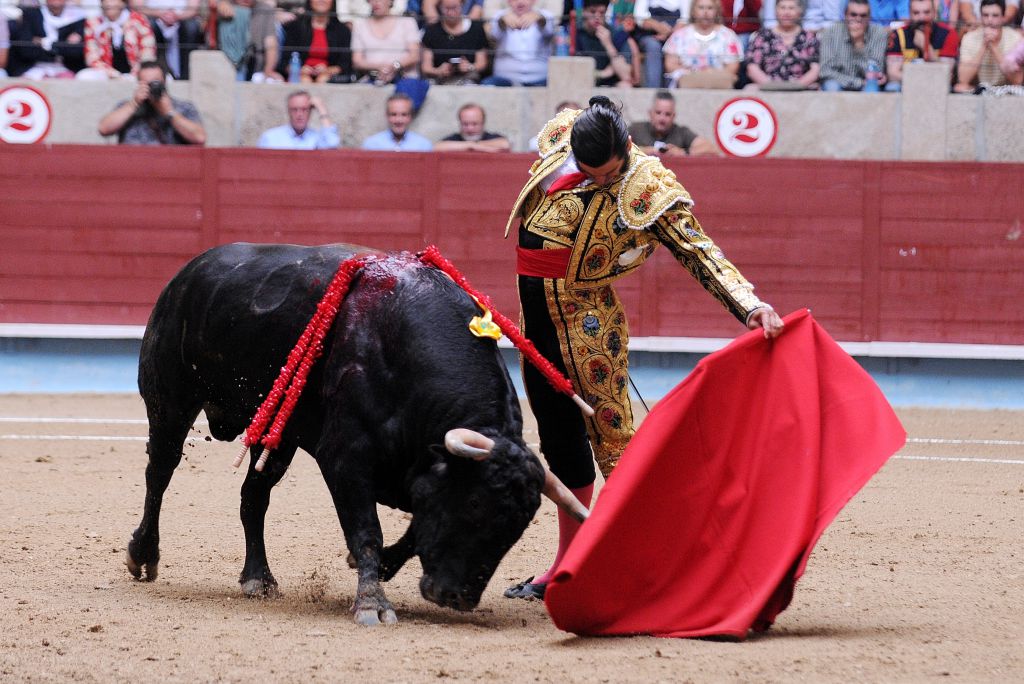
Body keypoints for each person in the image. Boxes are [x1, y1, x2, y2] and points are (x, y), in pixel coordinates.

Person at [501, 96, 784, 601]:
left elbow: (697, 249)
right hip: (537, 325)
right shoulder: (565, 135)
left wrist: (749, 305)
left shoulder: (646, 186)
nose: (601, 182)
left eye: (609, 174)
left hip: (587, 327)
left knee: (615, 447)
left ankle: (667, 560)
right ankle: (568, 564)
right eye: (590, 173)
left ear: (625, 150)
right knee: (560, 444)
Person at [97, 59, 206, 144]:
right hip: (132, 165)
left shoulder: (184, 107)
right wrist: (134, 104)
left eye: (156, 82)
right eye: (146, 83)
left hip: (170, 167)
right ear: (139, 83)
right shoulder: (127, 107)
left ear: (164, 82)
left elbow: (199, 137)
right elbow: (103, 129)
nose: (152, 87)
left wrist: (169, 112)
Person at [662, 0, 743, 88]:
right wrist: (693, 74)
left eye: (710, 8)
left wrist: (710, 75)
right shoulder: (679, 35)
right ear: (693, 11)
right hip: (687, 82)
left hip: (719, 83)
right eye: (701, 7)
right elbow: (670, 64)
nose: (705, 12)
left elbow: (733, 67)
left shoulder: (728, 35)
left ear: (717, 11)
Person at [885, 0, 959, 92]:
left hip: (935, 86)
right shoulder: (899, 34)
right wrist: (920, 80)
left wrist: (926, 47)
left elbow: (947, 74)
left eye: (926, 12)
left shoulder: (948, 34)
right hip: (906, 84)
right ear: (910, 14)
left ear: (934, 13)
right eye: (916, 13)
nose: (922, 18)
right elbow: (892, 74)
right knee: (892, 87)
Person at [745, 0, 821, 90]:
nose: (787, 12)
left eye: (791, 8)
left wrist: (796, 86)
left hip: (801, 87)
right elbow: (752, 67)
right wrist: (770, 86)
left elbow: (816, 69)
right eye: (783, 8)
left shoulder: (809, 38)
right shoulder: (762, 37)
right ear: (775, 11)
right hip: (767, 86)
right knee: (749, 89)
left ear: (799, 11)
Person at [819, 0, 889, 91]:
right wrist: (857, 82)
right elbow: (825, 71)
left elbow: (874, 72)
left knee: (872, 86)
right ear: (845, 15)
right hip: (839, 82)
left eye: (863, 16)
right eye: (853, 15)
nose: (858, 19)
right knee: (831, 85)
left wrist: (858, 43)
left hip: (866, 83)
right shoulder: (830, 33)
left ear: (869, 17)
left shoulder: (879, 33)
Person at [76, 0, 155, 80]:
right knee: (84, 76)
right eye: (105, 1)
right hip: (107, 73)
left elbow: (148, 52)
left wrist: (134, 73)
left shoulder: (139, 20)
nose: (108, 3)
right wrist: (114, 74)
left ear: (123, 3)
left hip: (135, 72)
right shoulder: (93, 22)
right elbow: (91, 56)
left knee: (154, 75)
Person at [954, 0, 1023, 92]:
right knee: (960, 87)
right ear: (980, 17)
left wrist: (993, 47)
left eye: (995, 15)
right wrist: (984, 45)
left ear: (1003, 17)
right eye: (985, 15)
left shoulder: (1015, 37)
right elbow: (963, 79)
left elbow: (1017, 80)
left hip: (1006, 91)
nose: (990, 20)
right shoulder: (969, 37)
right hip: (978, 89)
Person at [278, 0, 354, 83]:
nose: (321, 1)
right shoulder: (294, 27)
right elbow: (284, 62)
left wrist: (328, 70)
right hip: (300, 74)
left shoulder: (342, 31)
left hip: (329, 76)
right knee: (304, 80)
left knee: (323, 79)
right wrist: (299, 69)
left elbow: (345, 64)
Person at [483, 0, 554, 87]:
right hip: (504, 79)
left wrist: (540, 18)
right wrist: (502, 21)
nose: (520, 2)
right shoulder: (499, 16)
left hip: (540, 78)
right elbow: (494, 35)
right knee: (486, 85)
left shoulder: (546, 16)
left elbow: (550, 31)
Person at [8, 0, 86, 79]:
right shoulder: (32, 15)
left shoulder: (78, 18)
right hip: (34, 68)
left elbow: (76, 52)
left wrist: (44, 42)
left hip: (66, 68)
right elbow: (26, 50)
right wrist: (62, 46)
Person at [628, 90, 718, 157]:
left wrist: (682, 152)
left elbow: (711, 149)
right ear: (650, 113)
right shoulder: (636, 129)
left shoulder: (681, 132)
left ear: (673, 116)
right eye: (658, 113)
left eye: (667, 114)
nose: (662, 118)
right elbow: (617, 148)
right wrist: (644, 151)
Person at [351, 0, 421, 84]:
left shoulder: (407, 22)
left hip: (405, 79)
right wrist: (381, 68)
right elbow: (357, 61)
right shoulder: (360, 25)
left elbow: (415, 56)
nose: (376, 2)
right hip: (372, 80)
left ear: (391, 1)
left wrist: (394, 66)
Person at [420, 0, 488, 84]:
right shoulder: (432, 30)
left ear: (462, 5)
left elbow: (482, 63)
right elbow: (426, 67)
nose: (451, 13)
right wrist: (439, 71)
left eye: (455, 8)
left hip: (468, 79)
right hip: (439, 80)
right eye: (447, 8)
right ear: (440, 7)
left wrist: (469, 67)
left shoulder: (476, 29)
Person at [131, 0, 203, 79]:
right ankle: (155, 75)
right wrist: (159, 14)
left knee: (191, 27)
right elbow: (136, 5)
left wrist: (177, 16)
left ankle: (186, 76)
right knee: (148, 26)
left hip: (183, 17)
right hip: (152, 16)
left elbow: (193, 8)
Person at [217, 0, 282, 82]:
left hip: (255, 68)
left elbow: (271, 43)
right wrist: (221, 5)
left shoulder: (264, 9)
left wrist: (268, 71)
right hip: (225, 65)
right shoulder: (224, 5)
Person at [576, 0, 635, 87]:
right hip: (582, 82)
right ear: (584, 12)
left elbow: (626, 75)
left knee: (625, 86)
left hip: (609, 84)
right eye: (592, 11)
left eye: (602, 12)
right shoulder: (575, 33)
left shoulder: (617, 34)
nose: (597, 16)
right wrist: (601, 74)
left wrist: (608, 44)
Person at [630, 0, 688, 88]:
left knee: (679, 47)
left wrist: (669, 34)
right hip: (650, 34)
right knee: (653, 46)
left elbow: (686, 18)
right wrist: (659, 27)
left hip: (676, 34)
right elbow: (639, 16)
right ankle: (653, 91)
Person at [257, 90, 340, 149]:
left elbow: (332, 144)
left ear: (310, 112)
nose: (299, 114)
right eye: (294, 109)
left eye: (304, 109)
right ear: (288, 111)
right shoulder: (271, 137)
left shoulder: (316, 138)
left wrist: (321, 109)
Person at [360, 91, 433, 151]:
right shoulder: (372, 145)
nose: (398, 120)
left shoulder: (423, 146)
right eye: (393, 114)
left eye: (404, 114)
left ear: (410, 116)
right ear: (387, 115)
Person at [434, 102, 511, 152]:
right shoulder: (454, 138)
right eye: (465, 124)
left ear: (483, 123)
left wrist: (473, 145)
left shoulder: (492, 137)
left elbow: (505, 144)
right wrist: (470, 145)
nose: (470, 129)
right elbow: (437, 147)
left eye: (475, 124)